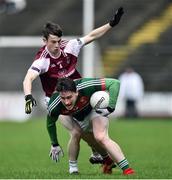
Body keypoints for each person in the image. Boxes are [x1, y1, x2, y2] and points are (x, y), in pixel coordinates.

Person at [23, 7, 124, 165]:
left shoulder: (69, 47)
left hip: (79, 94)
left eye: (58, 41)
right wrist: (28, 96)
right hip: (56, 100)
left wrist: (111, 24)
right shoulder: (42, 60)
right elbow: (28, 78)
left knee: (90, 128)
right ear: (44, 41)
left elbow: (91, 36)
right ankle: (84, 162)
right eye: (53, 42)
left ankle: (99, 154)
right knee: (77, 131)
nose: (57, 45)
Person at [47, 77, 135, 175]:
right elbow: (50, 123)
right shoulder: (54, 105)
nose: (66, 102)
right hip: (75, 117)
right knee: (82, 136)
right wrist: (54, 144)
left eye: (69, 97)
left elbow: (115, 83)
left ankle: (128, 170)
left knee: (101, 137)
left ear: (76, 92)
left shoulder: (86, 86)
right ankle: (104, 162)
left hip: (94, 109)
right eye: (63, 98)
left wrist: (111, 107)